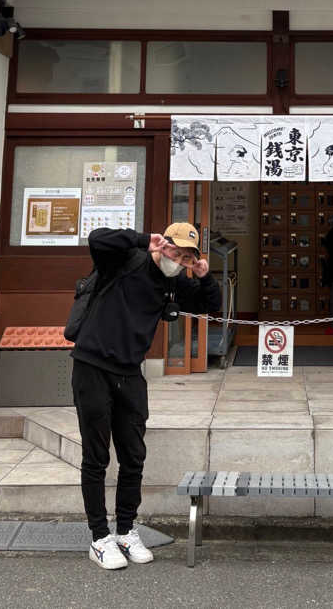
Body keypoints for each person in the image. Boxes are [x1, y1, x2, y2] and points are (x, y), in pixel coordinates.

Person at [71, 222, 221, 570]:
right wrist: (142, 240)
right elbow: (96, 238)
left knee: (133, 455)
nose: (178, 259)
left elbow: (210, 307)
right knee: (96, 456)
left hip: (130, 373)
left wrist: (203, 276)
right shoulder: (124, 258)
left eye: (185, 257)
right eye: (175, 251)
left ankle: (125, 529)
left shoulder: (173, 283)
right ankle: (99, 537)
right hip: (92, 365)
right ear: (162, 244)